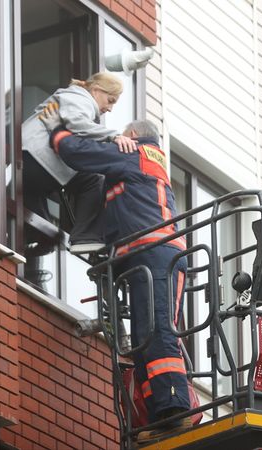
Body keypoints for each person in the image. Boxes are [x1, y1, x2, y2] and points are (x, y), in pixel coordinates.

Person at [39, 105, 192, 443]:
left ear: (133, 135)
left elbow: (80, 154)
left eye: (123, 134)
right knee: (144, 338)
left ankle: (176, 409)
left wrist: (57, 132)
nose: (119, 138)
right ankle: (162, 414)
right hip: (147, 256)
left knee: (156, 331)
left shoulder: (134, 153)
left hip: (156, 255)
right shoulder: (146, 160)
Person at [21, 72, 137, 254]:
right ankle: (85, 238)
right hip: (37, 157)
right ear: (97, 90)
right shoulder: (79, 98)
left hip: (29, 159)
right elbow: (77, 123)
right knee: (94, 180)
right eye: (111, 100)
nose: (110, 108)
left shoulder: (71, 98)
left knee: (39, 226)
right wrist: (113, 136)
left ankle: (21, 243)